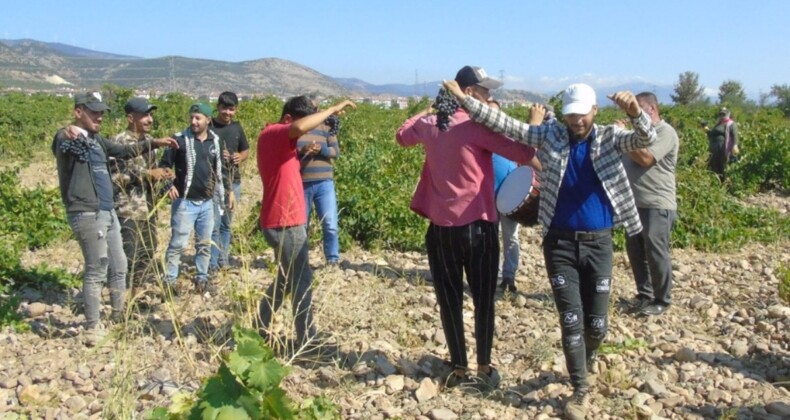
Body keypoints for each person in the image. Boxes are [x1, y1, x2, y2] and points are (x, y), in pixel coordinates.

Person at [444, 80, 656, 419]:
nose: (577, 121)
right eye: (571, 114)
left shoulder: (610, 138)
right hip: (558, 243)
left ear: (594, 111)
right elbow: (506, 124)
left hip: (599, 243)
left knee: (597, 325)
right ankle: (580, 389)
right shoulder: (551, 135)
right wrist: (463, 101)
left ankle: (588, 359)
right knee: (571, 320)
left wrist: (635, 114)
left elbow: (645, 140)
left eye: (582, 114)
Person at [397, 66, 537, 391]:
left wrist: (428, 109)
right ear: (470, 93)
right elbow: (525, 152)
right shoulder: (476, 128)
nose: (490, 96)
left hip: (441, 230)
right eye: (486, 91)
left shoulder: (430, 125)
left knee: (449, 300)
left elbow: (402, 135)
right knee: (484, 298)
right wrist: (533, 125)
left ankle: (459, 369)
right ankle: (485, 368)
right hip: (479, 227)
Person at [52, 92, 177, 340]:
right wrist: (66, 131)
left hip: (107, 210)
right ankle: (92, 327)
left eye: (101, 112)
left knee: (119, 265)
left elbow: (123, 151)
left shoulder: (99, 141)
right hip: (86, 211)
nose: (99, 116)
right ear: (79, 112)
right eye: (93, 112)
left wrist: (156, 143)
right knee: (97, 268)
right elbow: (61, 141)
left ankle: (120, 315)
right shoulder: (69, 138)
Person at [257, 96, 356, 349]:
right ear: (288, 119)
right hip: (283, 222)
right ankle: (306, 340)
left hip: (286, 220)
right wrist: (333, 108)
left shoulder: (279, 140)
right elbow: (299, 128)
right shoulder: (274, 133)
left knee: (285, 279)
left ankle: (259, 323)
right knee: (301, 280)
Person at [160, 103, 233, 295]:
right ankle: (169, 281)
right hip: (185, 202)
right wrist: (168, 185)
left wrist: (228, 191)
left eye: (198, 118)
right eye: (192, 117)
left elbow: (221, 170)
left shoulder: (215, 142)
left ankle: (202, 278)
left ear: (208, 120)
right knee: (178, 243)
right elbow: (164, 166)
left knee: (204, 243)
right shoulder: (179, 140)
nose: (193, 121)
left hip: (207, 202)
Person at [622, 92, 678, 317]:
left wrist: (624, 138)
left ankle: (662, 299)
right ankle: (644, 294)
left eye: (638, 111)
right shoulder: (636, 136)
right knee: (635, 249)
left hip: (657, 202)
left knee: (655, 249)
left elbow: (646, 158)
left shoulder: (665, 132)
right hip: (634, 203)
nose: (635, 117)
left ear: (652, 109)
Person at [109, 97, 175, 290]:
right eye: (145, 115)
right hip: (128, 208)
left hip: (148, 207)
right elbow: (116, 176)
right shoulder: (119, 142)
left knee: (149, 247)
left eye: (150, 115)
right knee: (130, 251)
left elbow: (153, 171)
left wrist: (162, 174)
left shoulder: (149, 141)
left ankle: (139, 289)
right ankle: (123, 294)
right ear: (131, 118)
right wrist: (147, 174)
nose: (150, 119)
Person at [297, 97, 342, 266]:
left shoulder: (327, 127)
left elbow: (335, 152)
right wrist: (303, 150)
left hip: (324, 182)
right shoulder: (297, 128)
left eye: (314, 109)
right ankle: (301, 260)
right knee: (301, 225)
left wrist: (321, 149)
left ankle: (332, 259)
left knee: (330, 223)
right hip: (302, 182)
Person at [209, 91, 249, 272]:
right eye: (224, 108)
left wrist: (239, 157)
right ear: (218, 107)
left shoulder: (237, 128)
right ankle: (211, 262)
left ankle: (223, 260)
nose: (227, 113)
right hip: (212, 182)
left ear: (236, 110)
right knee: (213, 223)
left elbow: (246, 151)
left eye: (231, 109)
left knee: (226, 222)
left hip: (233, 182)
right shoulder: (208, 126)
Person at [706, 107, 739, 180]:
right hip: (714, 147)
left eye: (724, 114)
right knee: (714, 164)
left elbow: (735, 135)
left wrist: (735, 145)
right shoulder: (718, 124)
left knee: (722, 165)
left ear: (728, 114)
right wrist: (708, 131)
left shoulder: (731, 123)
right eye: (721, 114)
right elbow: (712, 134)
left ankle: (724, 182)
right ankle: (716, 182)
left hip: (723, 147)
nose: (722, 116)